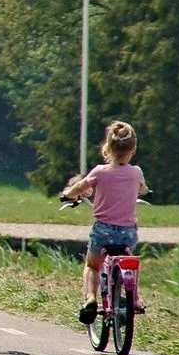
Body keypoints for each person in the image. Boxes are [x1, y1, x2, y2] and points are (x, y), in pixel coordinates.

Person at [60, 120, 148, 324]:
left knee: (92, 265)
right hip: (127, 232)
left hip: (103, 230)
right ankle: (134, 298)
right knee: (130, 261)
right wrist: (140, 190)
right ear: (133, 149)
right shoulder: (136, 172)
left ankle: (90, 299)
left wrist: (68, 193)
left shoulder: (100, 171)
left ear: (107, 147)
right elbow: (143, 190)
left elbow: (81, 186)